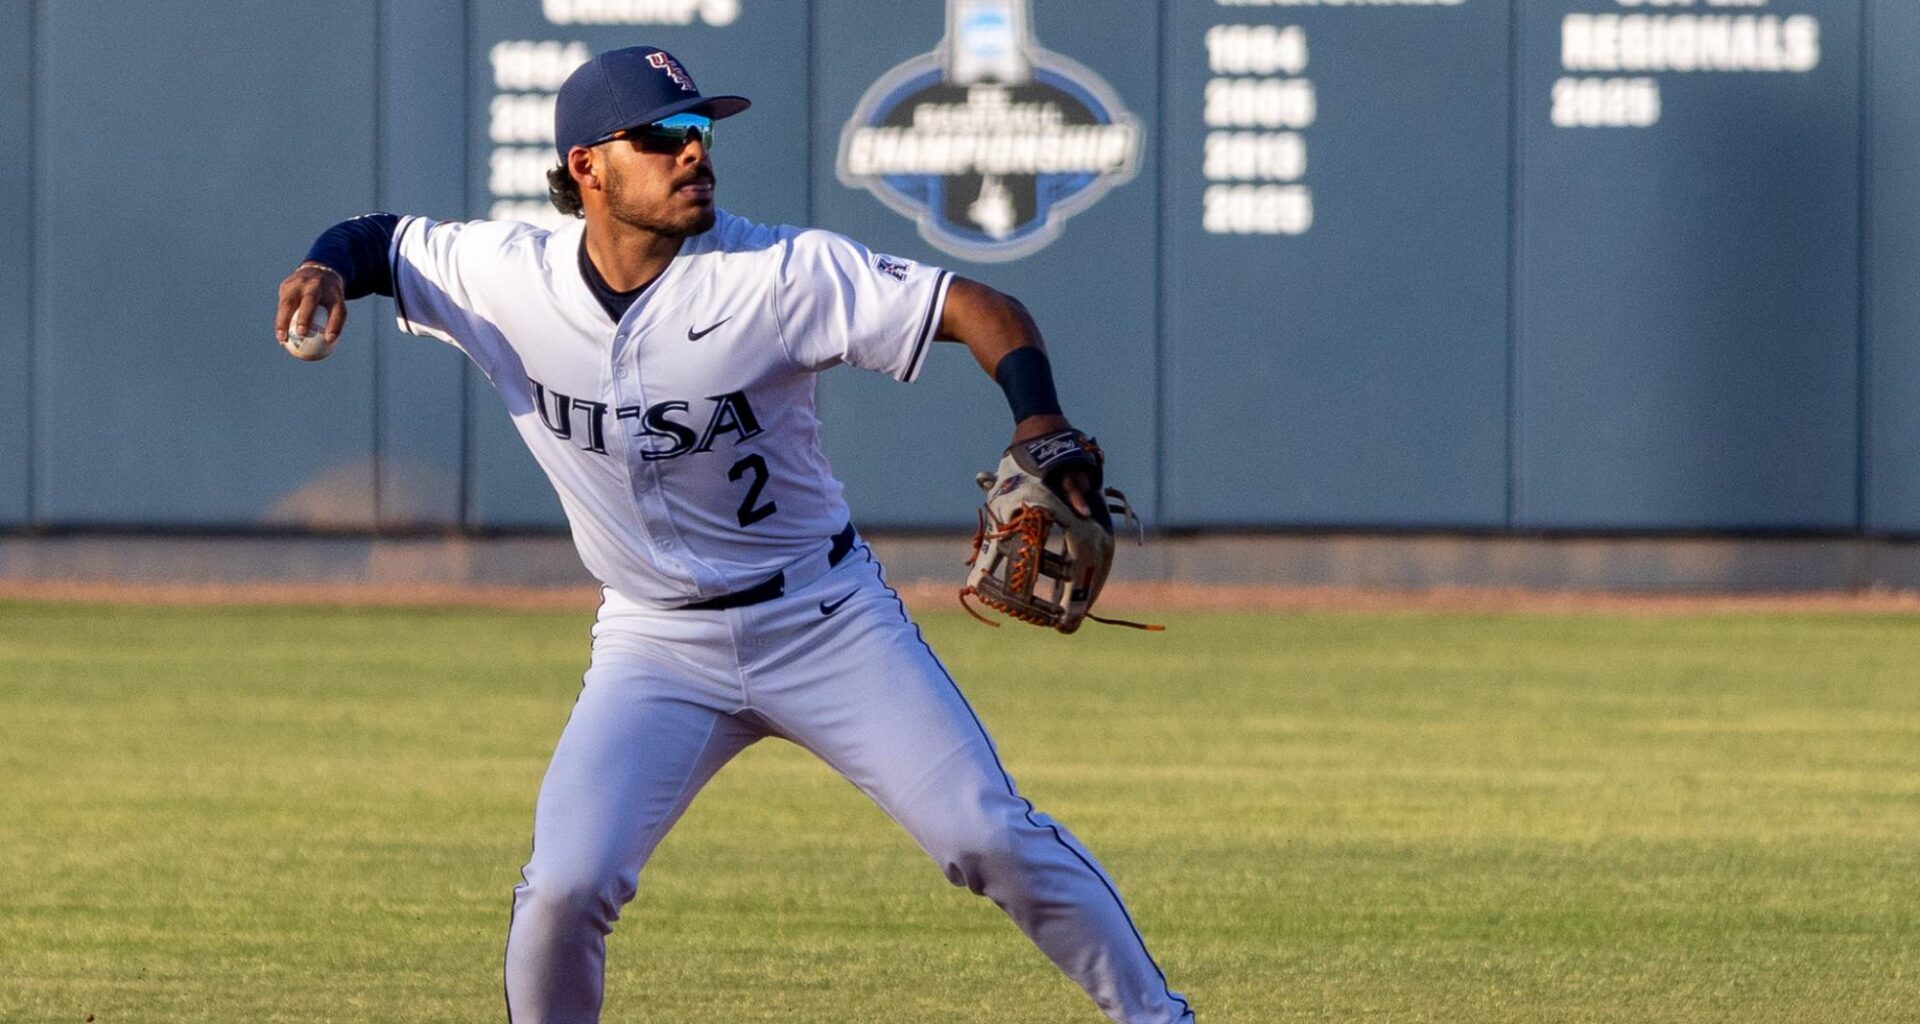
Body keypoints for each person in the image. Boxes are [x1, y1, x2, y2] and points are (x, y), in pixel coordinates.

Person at [273, 45, 1191, 1024]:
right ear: (587, 166)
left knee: (987, 837)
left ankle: (1158, 1016)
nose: (694, 152)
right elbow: (379, 243)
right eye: (663, 135)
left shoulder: (774, 273)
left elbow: (978, 306)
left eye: (702, 131)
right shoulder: (510, 277)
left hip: (824, 620)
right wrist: (324, 266)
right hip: (654, 645)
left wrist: (1037, 413)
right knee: (565, 888)